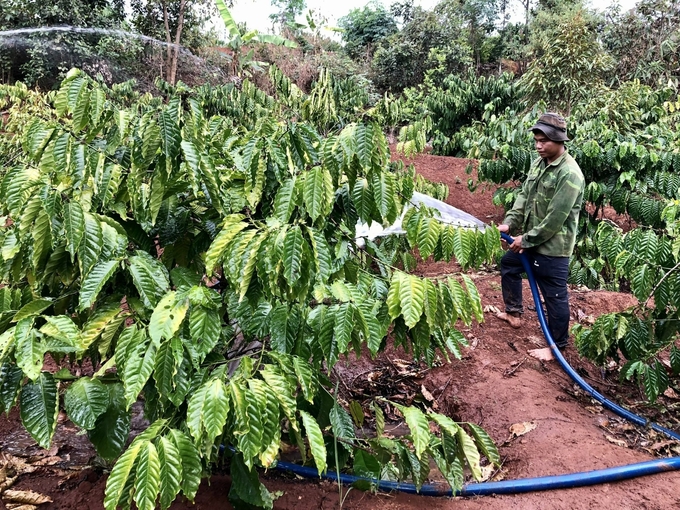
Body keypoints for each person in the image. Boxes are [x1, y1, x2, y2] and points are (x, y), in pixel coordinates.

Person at [496, 112, 585, 355]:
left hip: (553, 247)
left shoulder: (570, 174)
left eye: (543, 141)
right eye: (536, 140)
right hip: (532, 239)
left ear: (559, 140)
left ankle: (557, 346)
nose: (538, 146)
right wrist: (510, 224)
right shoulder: (539, 162)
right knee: (509, 265)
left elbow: (555, 219)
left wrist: (526, 239)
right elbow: (524, 196)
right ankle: (514, 313)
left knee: (554, 295)